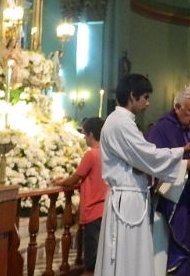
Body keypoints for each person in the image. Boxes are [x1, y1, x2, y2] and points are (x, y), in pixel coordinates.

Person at [95, 74, 190, 276]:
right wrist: (183, 153)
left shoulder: (124, 122)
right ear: (132, 96)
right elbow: (148, 157)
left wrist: (182, 150)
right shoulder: (120, 123)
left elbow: (144, 157)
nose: (148, 103)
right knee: (127, 256)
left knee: (134, 256)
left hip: (132, 197)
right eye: (145, 97)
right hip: (126, 200)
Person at [145, 86, 190, 276]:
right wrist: (186, 166)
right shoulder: (161, 129)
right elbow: (153, 164)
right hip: (170, 200)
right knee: (176, 246)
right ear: (177, 107)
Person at [53, 117, 107, 275]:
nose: (84, 138)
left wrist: (60, 182)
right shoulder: (107, 154)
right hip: (105, 208)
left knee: (91, 259)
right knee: (101, 255)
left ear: (91, 134)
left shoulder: (92, 155)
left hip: (93, 209)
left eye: (85, 135)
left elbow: (75, 178)